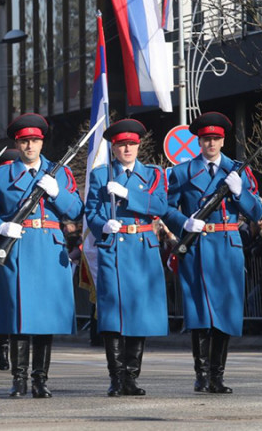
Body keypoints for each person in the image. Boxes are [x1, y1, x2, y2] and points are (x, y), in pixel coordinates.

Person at [0, 113, 83, 398]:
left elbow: (75, 211)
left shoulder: (58, 172)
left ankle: (40, 380)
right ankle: (19, 379)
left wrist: (58, 193)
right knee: (19, 318)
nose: (30, 146)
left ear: (42, 142)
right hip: (18, 249)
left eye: (35, 140)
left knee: (44, 319)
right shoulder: (1, 175)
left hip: (48, 249)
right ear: (17, 143)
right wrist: (1, 226)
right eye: (25, 141)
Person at [164, 112, 262, 394]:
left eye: (216, 139)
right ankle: (202, 374)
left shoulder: (238, 171)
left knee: (225, 311)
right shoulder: (183, 172)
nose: (211, 143)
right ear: (199, 141)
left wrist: (240, 191)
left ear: (223, 140)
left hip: (227, 246)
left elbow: (257, 212)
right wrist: (183, 222)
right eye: (206, 139)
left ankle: (217, 376)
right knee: (199, 312)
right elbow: (166, 207)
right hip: (197, 245)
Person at [84, 119, 169, 396]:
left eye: (131, 144)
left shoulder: (153, 173)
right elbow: (92, 211)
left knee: (139, 313)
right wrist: (102, 226)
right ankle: (116, 377)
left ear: (138, 145)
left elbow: (160, 206)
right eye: (121, 145)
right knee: (112, 312)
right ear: (114, 147)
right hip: (114, 248)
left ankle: (131, 377)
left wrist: (128, 194)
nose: (127, 148)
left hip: (143, 247)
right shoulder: (100, 174)